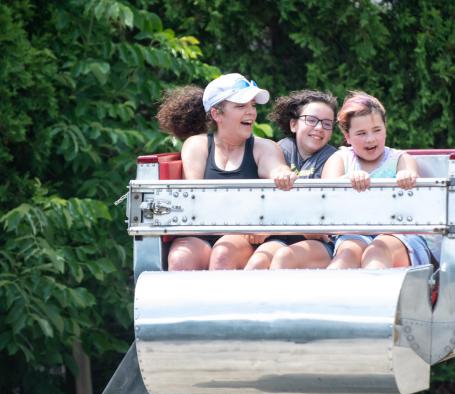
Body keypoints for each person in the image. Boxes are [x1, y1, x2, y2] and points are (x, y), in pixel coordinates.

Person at [156, 73, 297, 271]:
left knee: (223, 254)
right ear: (217, 114)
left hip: (244, 235)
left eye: (253, 105)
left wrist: (283, 174)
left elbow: (276, 168)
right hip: (203, 232)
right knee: (180, 258)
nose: (251, 112)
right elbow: (194, 197)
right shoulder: (197, 145)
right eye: (241, 106)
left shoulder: (263, 147)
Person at [322, 91, 435, 269]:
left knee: (376, 252)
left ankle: (373, 294)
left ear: (385, 128)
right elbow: (325, 195)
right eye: (361, 133)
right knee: (346, 256)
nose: (371, 139)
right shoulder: (340, 158)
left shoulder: (400, 158)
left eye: (377, 130)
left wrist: (406, 177)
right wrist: (346, 180)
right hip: (355, 233)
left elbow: (414, 191)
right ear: (347, 136)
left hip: (397, 235)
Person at [244, 90, 338, 270]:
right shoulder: (277, 151)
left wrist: (270, 229)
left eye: (327, 124)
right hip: (281, 237)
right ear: (294, 124)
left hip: (321, 242)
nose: (319, 128)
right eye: (311, 120)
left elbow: (318, 226)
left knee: (284, 258)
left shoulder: (333, 158)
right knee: (257, 263)